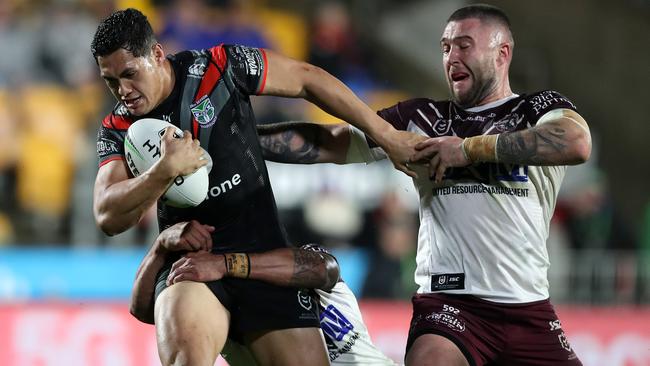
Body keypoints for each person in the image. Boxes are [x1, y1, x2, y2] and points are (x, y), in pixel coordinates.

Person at [255, 4, 591, 366]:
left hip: (529, 309)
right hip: (450, 306)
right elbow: (327, 142)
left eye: (464, 45)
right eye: (446, 47)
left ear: (502, 53)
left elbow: (576, 142)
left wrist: (467, 150)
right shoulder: (421, 118)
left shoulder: (536, 109)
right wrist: (237, 138)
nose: (451, 57)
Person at [90, 8, 420, 366]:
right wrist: (162, 171)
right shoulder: (116, 128)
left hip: (262, 257)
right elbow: (107, 215)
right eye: (111, 81)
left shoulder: (220, 67)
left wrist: (385, 135)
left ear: (156, 54)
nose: (123, 91)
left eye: (129, 74)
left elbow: (306, 79)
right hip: (191, 265)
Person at [129, 220, 397, 366]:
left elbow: (326, 269)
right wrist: (160, 246)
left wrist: (227, 264)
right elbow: (143, 309)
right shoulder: (219, 303)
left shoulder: (301, 265)